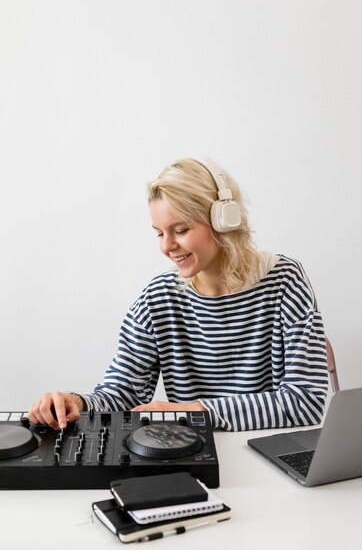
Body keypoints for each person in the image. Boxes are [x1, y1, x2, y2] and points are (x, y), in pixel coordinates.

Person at [28, 157, 329, 432]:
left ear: (224, 220)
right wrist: (77, 402)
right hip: (195, 453)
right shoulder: (158, 297)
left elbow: (306, 401)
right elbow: (123, 393)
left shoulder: (284, 280)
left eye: (181, 230)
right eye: (159, 233)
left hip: (270, 454)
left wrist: (192, 411)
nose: (167, 246)